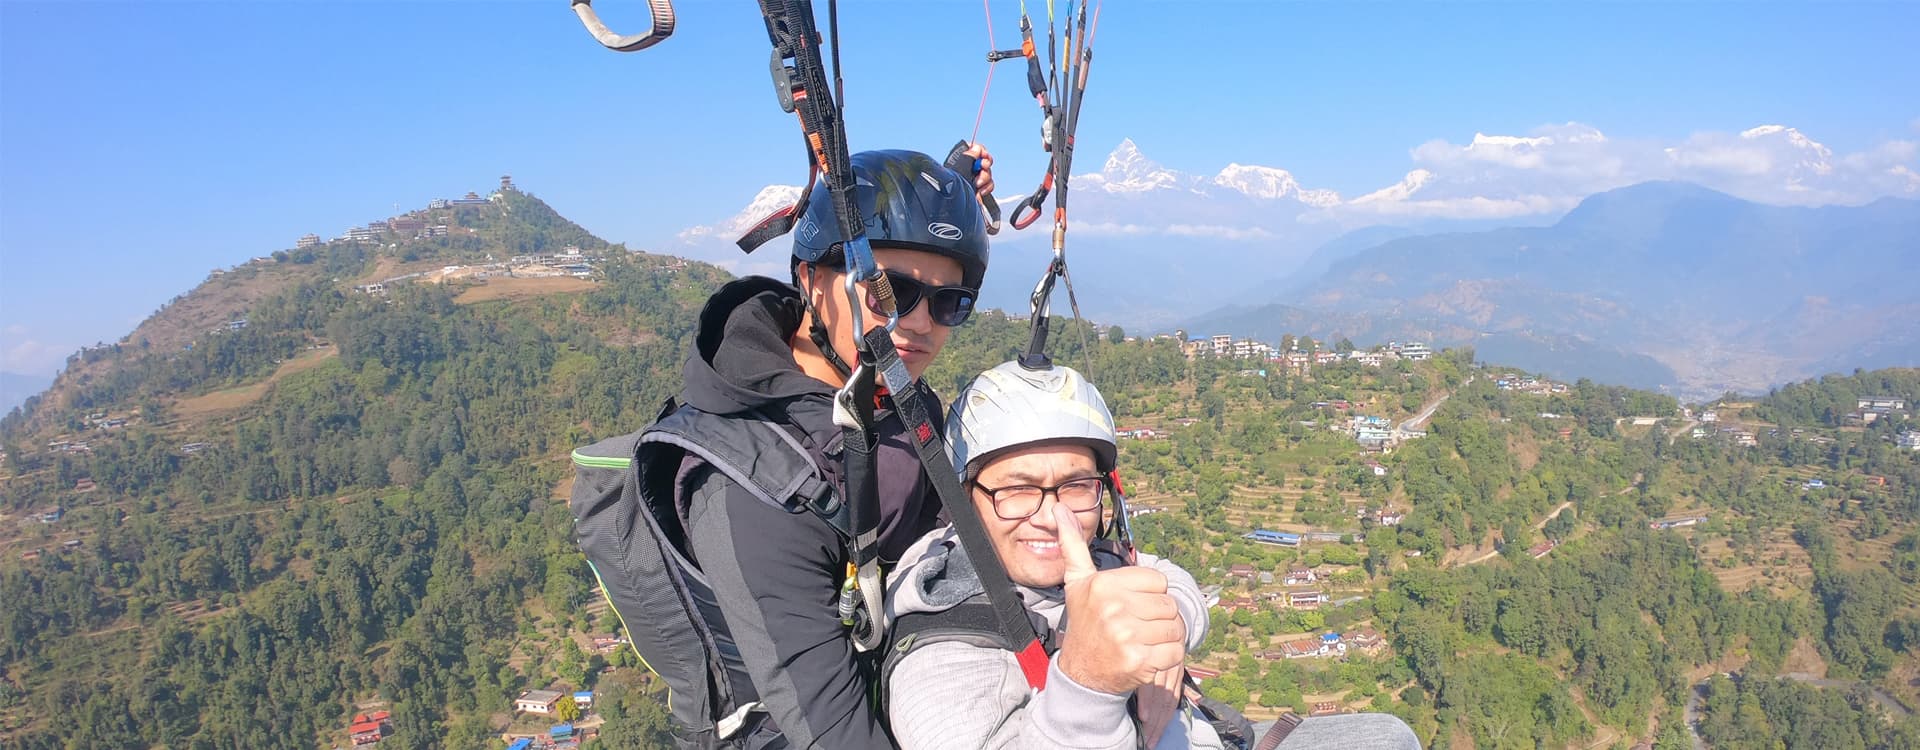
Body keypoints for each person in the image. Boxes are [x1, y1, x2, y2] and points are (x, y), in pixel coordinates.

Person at [883, 361, 1423, 750]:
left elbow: (1170, 578)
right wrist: (1088, 684)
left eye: (1075, 486)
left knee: (1388, 735)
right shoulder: (941, 655)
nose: (1053, 518)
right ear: (965, 500)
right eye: (1017, 490)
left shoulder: (1093, 560)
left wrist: (1166, 633)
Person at [663, 147, 993, 747]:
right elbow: (831, 729)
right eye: (889, 292)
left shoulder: (880, 394)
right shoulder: (755, 486)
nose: (920, 323)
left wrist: (950, 185)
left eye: (951, 302)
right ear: (811, 280)